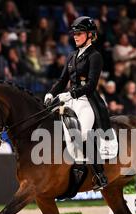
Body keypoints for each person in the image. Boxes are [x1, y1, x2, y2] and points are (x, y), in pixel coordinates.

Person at [44, 16, 113, 190]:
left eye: (79, 33)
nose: (75, 36)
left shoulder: (95, 56)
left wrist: (70, 94)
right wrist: (51, 93)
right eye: (74, 33)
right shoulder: (71, 56)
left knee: (81, 135)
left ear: (90, 35)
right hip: (70, 100)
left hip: (86, 101)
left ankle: (100, 175)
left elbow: (91, 85)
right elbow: (62, 80)